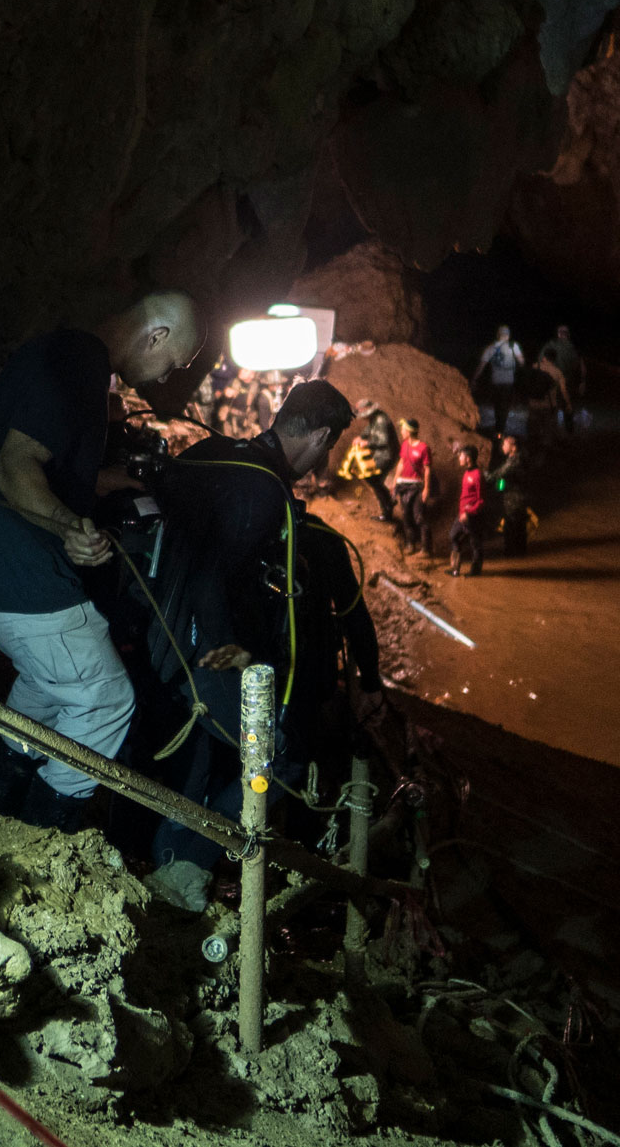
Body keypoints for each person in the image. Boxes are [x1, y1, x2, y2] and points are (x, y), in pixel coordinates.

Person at [0, 291, 203, 831]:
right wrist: (71, 528)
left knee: (49, 684)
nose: (163, 378)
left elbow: (31, 454)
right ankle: (45, 834)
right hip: (15, 572)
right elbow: (15, 471)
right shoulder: (80, 363)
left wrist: (101, 481)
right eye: (173, 363)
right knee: (105, 698)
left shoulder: (61, 350)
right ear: (155, 335)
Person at [145, 379, 381, 911]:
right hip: (202, 644)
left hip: (156, 628)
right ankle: (183, 867)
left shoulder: (211, 454)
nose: (323, 460)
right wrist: (228, 649)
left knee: (203, 749)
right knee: (277, 756)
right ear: (321, 436)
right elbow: (215, 571)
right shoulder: (264, 491)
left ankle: (164, 853)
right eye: (329, 449)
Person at [351, 398, 399, 523]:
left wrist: (366, 442)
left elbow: (383, 441)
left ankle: (387, 506)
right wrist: (361, 437)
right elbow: (369, 430)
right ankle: (388, 503)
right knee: (374, 480)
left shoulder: (381, 420)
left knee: (372, 478)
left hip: (387, 455)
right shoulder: (374, 419)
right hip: (381, 454)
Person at [391, 416, 432, 555]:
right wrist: (395, 480)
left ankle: (426, 549)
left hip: (417, 486)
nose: (401, 432)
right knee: (406, 516)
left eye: (403, 430)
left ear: (409, 431)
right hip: (404, 485)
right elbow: (401, 463)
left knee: (419, 517)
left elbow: (427, 469)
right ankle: (410, 544)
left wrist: (427, 488)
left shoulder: (423, 448)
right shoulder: (405, 445)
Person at [474, 325, 526, 431]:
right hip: (509, 381)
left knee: (497, 404)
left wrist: (474, 378)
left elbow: (482, 366)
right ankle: (501, 427)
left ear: (498, 335)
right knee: (505, 405)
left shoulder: (491, 347)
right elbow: (522, 362)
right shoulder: (513, 346)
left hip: (495, 380)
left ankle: (498, 427)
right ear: (508, 335)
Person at [539, 324, 587, 432]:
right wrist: (582, 382)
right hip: (565, 383)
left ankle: (553, 433)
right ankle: (567, 432)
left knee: (553, 407)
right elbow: (581, 366)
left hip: (554, 382)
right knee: (566, 407)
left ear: (558, 334)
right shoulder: (572, 348)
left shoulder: (551, 345)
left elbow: (540, 362)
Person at [448, 444, 486, 577]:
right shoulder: (467, 472)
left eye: (461, 455)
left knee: (475, 543)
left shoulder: (477, 475)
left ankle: (475, 571)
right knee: (453, 535)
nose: (459, 458)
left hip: (472, 517)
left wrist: (469, 513)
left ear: (468, 458)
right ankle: (455, 568)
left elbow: (481, 500)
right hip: (462, 515)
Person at [490, 433, 531, 557]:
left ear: (513, 447)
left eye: (505, 444)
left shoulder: (515, 461)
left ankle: (512, 554)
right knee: (518, 526)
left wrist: (482, 473)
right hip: (517, 497)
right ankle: (520, 552)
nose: (502, 446)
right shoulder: (515, 458)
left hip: (514, 499)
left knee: (512, 526)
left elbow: (497, 475)